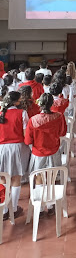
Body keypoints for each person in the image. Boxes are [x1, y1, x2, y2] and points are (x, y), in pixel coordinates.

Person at [25, 93, 67, 214]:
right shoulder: (59, 116)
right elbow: (62, 132)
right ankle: (50, 204)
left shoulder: (33, 120)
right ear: (51, 104)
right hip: (54, 151)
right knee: (51, 177)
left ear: (40, 104)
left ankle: (39, 203)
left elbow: (28, 140)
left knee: (38, 177)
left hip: (38, 153)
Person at [0, 91, 30, 219]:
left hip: (1, 148)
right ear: (17, 102)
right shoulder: (22, 113)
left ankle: (4, 209)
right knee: (16, 178)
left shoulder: (1, 113)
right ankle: (13, 208)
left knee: (3, 179)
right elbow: (25, 134)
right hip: (17, 148)